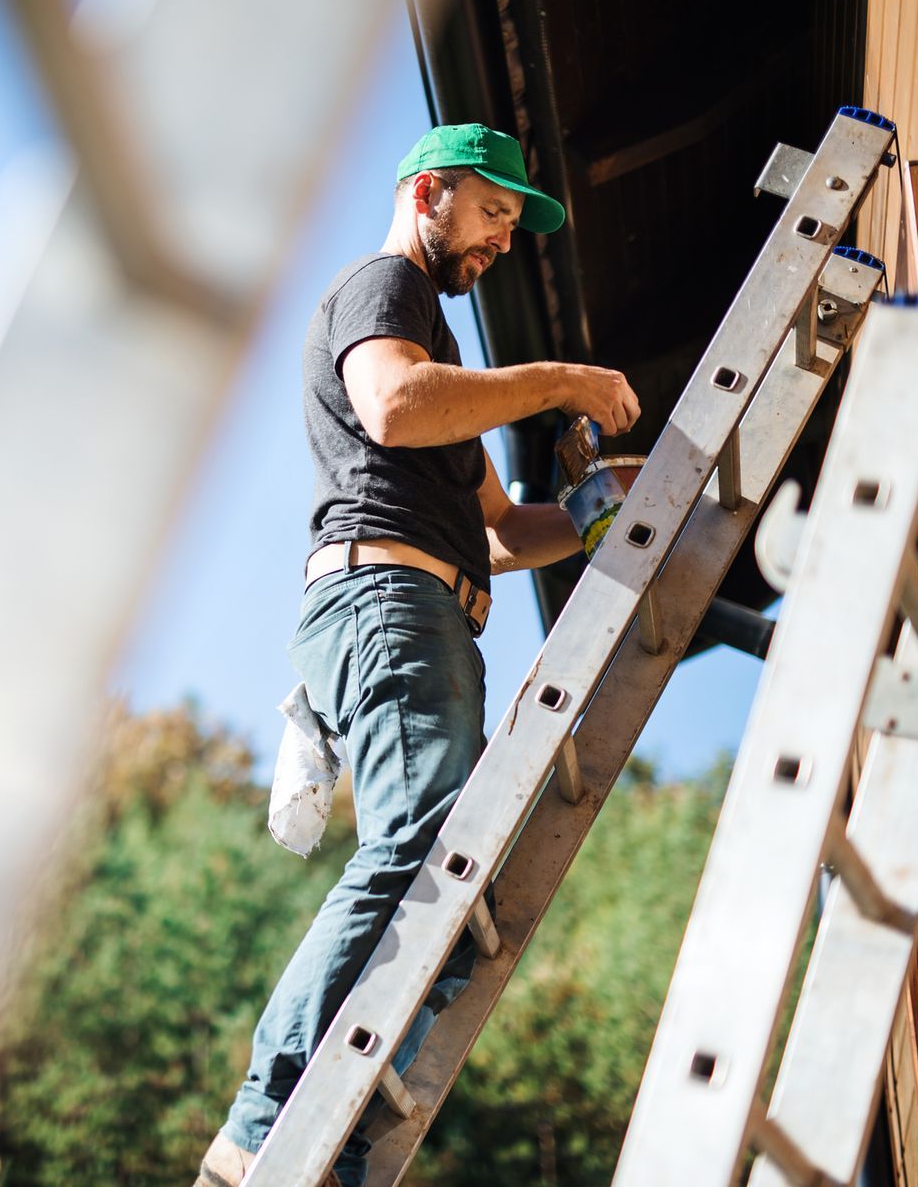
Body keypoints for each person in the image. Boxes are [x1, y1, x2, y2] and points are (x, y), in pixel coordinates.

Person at [195, 123, 639, 1187]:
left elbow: (494, 532)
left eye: (510, 230)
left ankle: (321, 1132)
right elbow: (392, 408)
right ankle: (261, 1132)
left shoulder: (438, 369)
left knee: (447, 864)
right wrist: (562, 379)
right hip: (387, 601)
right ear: (429, 191)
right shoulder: (385, 294)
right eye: (491, 214)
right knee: (424, 843)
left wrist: (602, 513)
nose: (499, 243)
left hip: (423, 604)